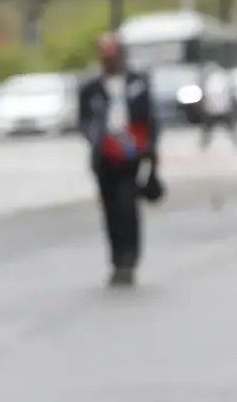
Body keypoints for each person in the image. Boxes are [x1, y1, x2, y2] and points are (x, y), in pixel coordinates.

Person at [78, 32, 159, 287]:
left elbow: (151, 117)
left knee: (127, 205)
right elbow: (84, 121)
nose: (109, 58)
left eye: (112, 52)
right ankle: (116, 260)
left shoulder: (138, 82)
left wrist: (151, 147)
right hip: (104, 153)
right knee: (111, 208)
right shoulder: (91, 89)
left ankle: (129, 259)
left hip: (131, 150)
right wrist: (96, 139)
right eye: (104, 53)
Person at [199, 62, 237, 151]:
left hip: (216, 110)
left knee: (209, 129)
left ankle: (204, 145)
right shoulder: (218, 80)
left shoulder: (213, 81)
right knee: (229, 128)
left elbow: (208, 96)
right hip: (220, 109)